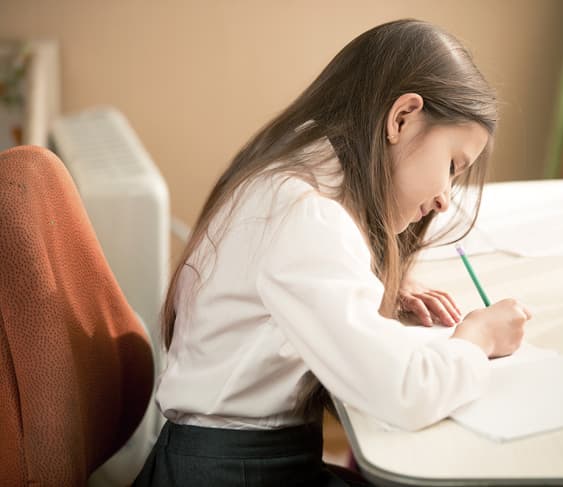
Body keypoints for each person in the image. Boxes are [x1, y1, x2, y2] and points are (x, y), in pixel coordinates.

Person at [133, 18, 532, 487]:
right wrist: (478, 337)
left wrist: (372, 278)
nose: (446, 197)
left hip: (222, 460)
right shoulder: (305, 216)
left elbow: (305, 270)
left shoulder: (295, 174)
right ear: (401, 117)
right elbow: (405, 393)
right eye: (452, 165)